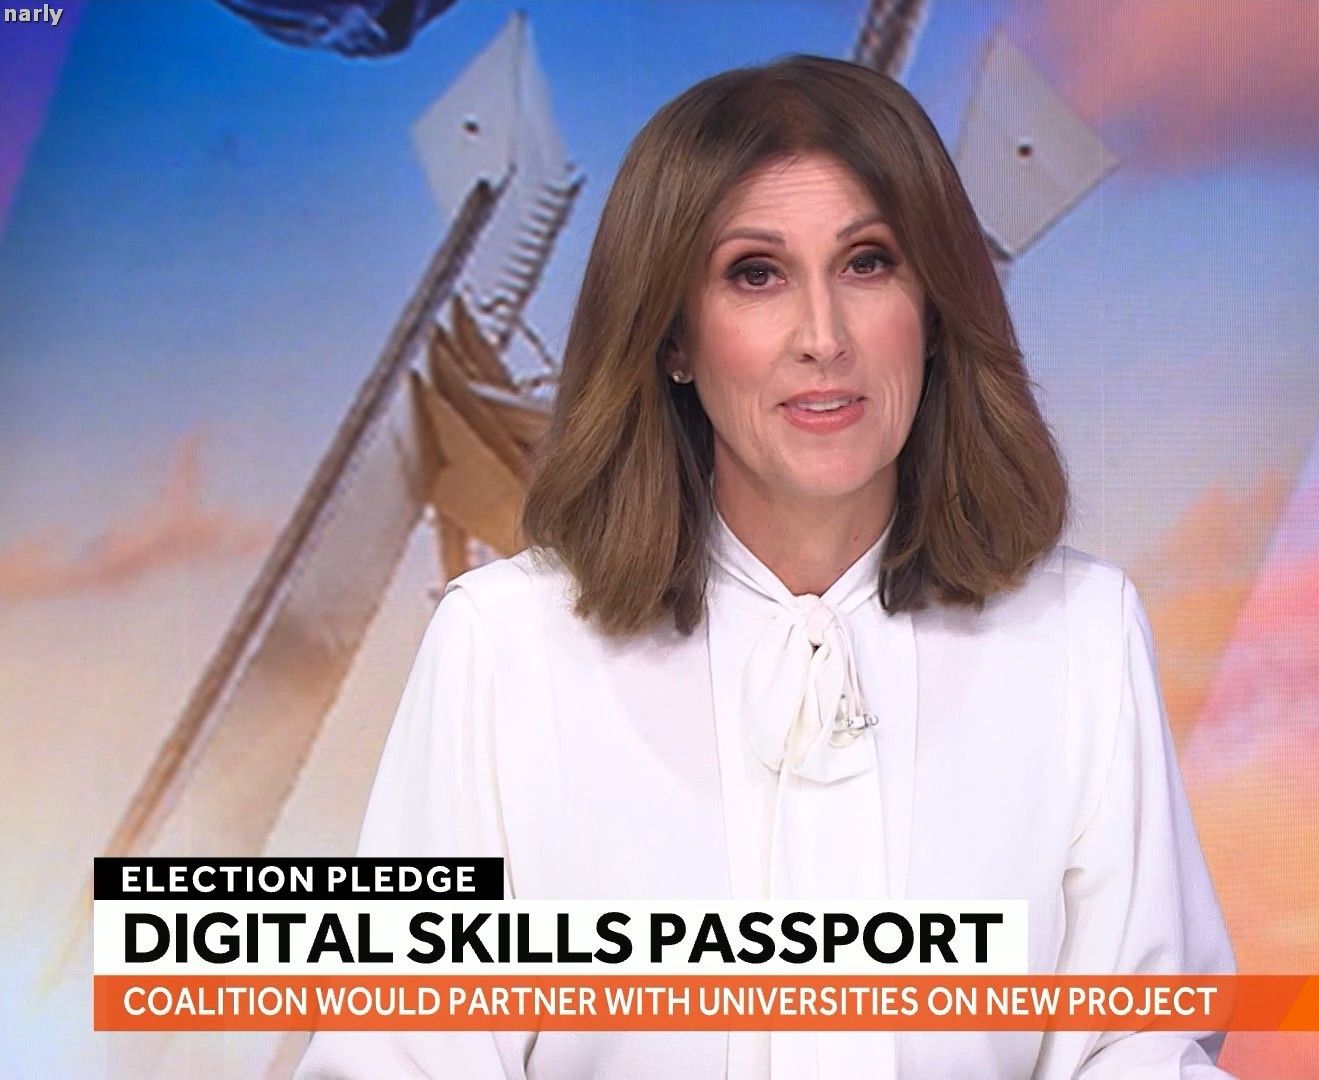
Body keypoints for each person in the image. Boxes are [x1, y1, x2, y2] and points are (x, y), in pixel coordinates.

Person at [296, 53, 1234, 1079]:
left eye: (868, 263)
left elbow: (1139, 1045)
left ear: (934, 312)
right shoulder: (503, 646)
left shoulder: (1079, 635)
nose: (822, 338)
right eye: (756, 274)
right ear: (674, 339)